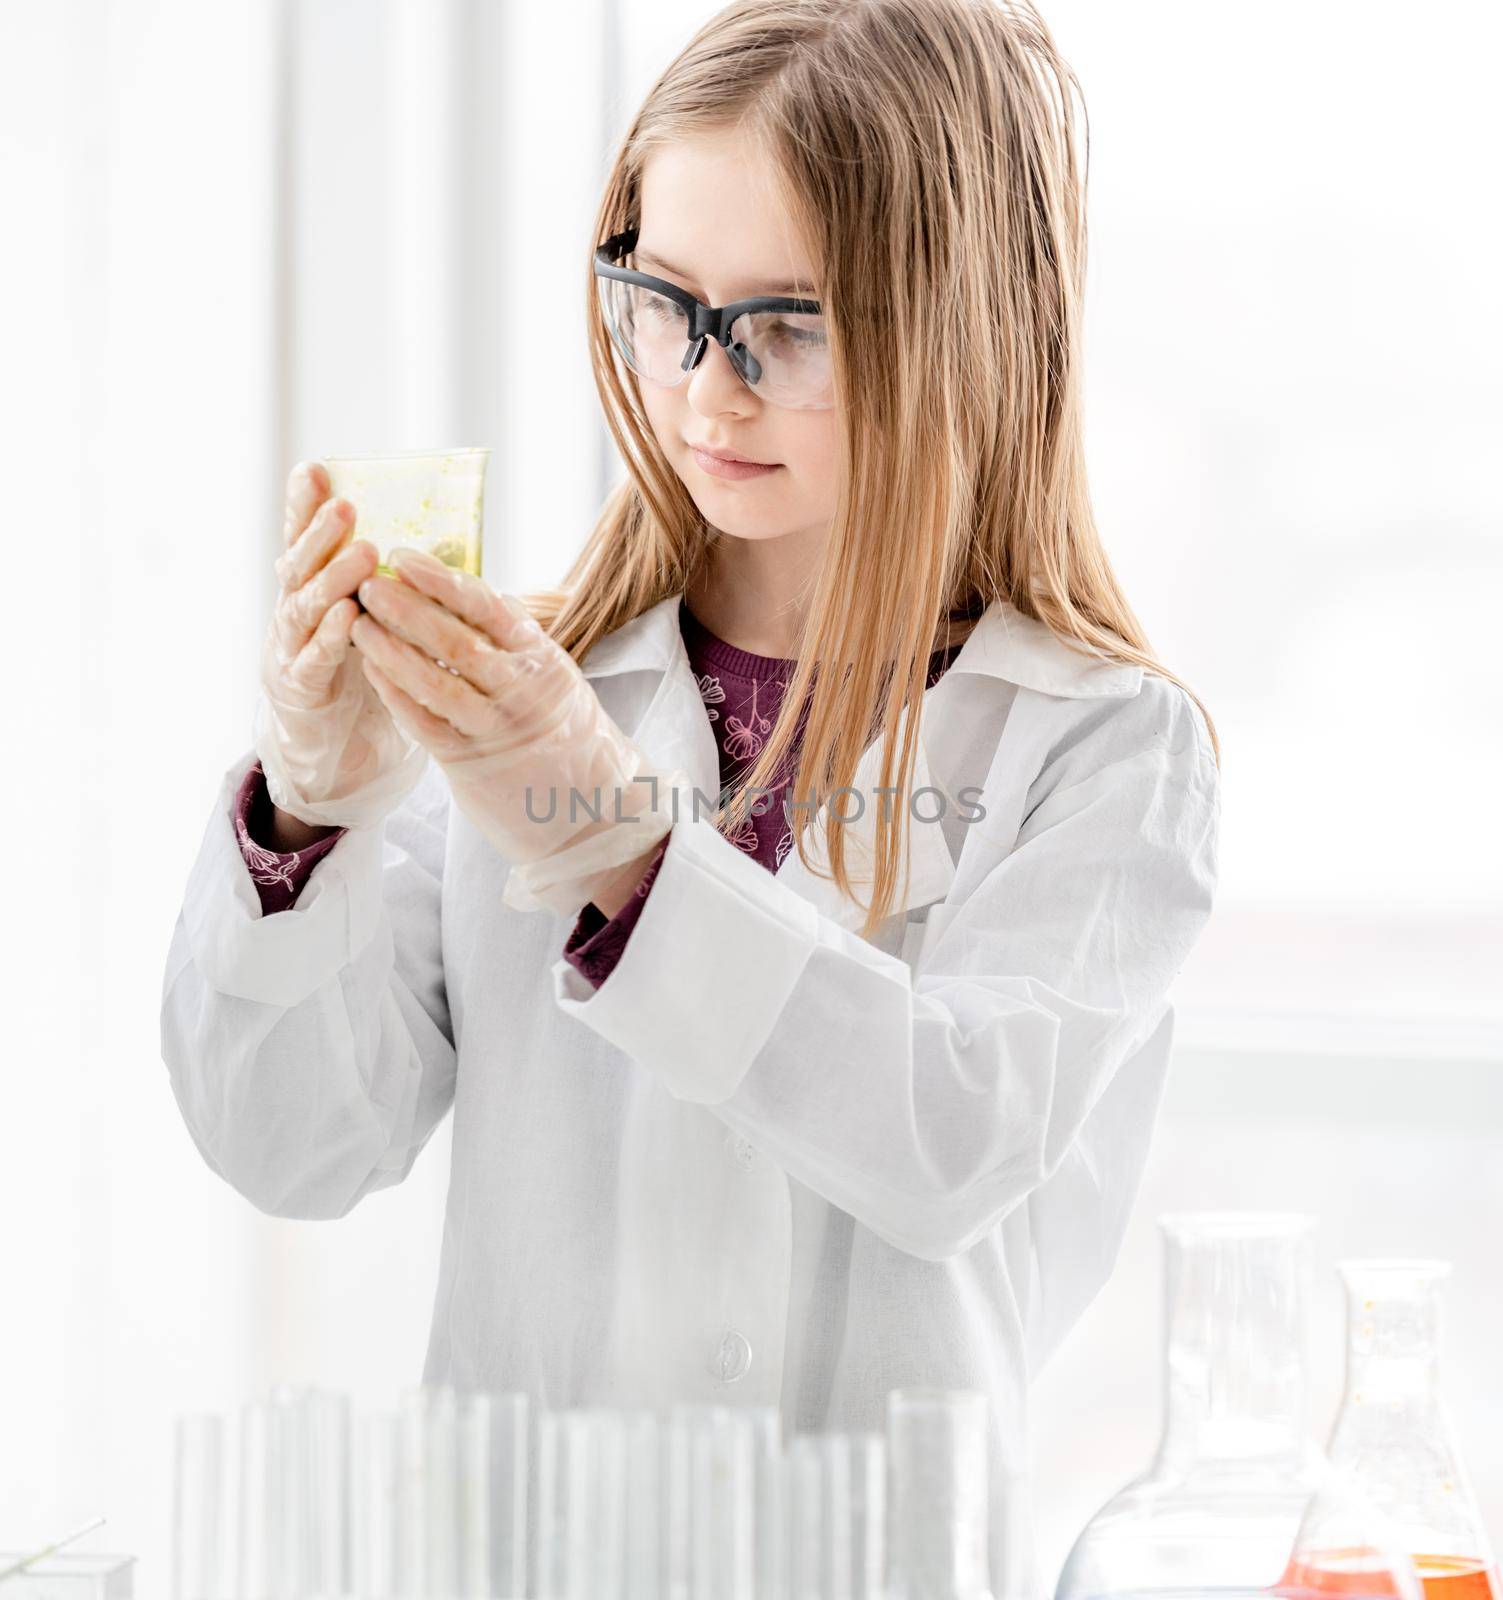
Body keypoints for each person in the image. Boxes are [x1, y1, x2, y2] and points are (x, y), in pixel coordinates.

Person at [160, 0, 1222, 1592]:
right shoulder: (553, 690)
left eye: (788, 325)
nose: (707, 391)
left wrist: (609, 842)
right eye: (665, 303)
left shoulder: (1101, 748)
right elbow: (293, 1146)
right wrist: (311, 806)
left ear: (972, 322)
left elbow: (950, 1140)